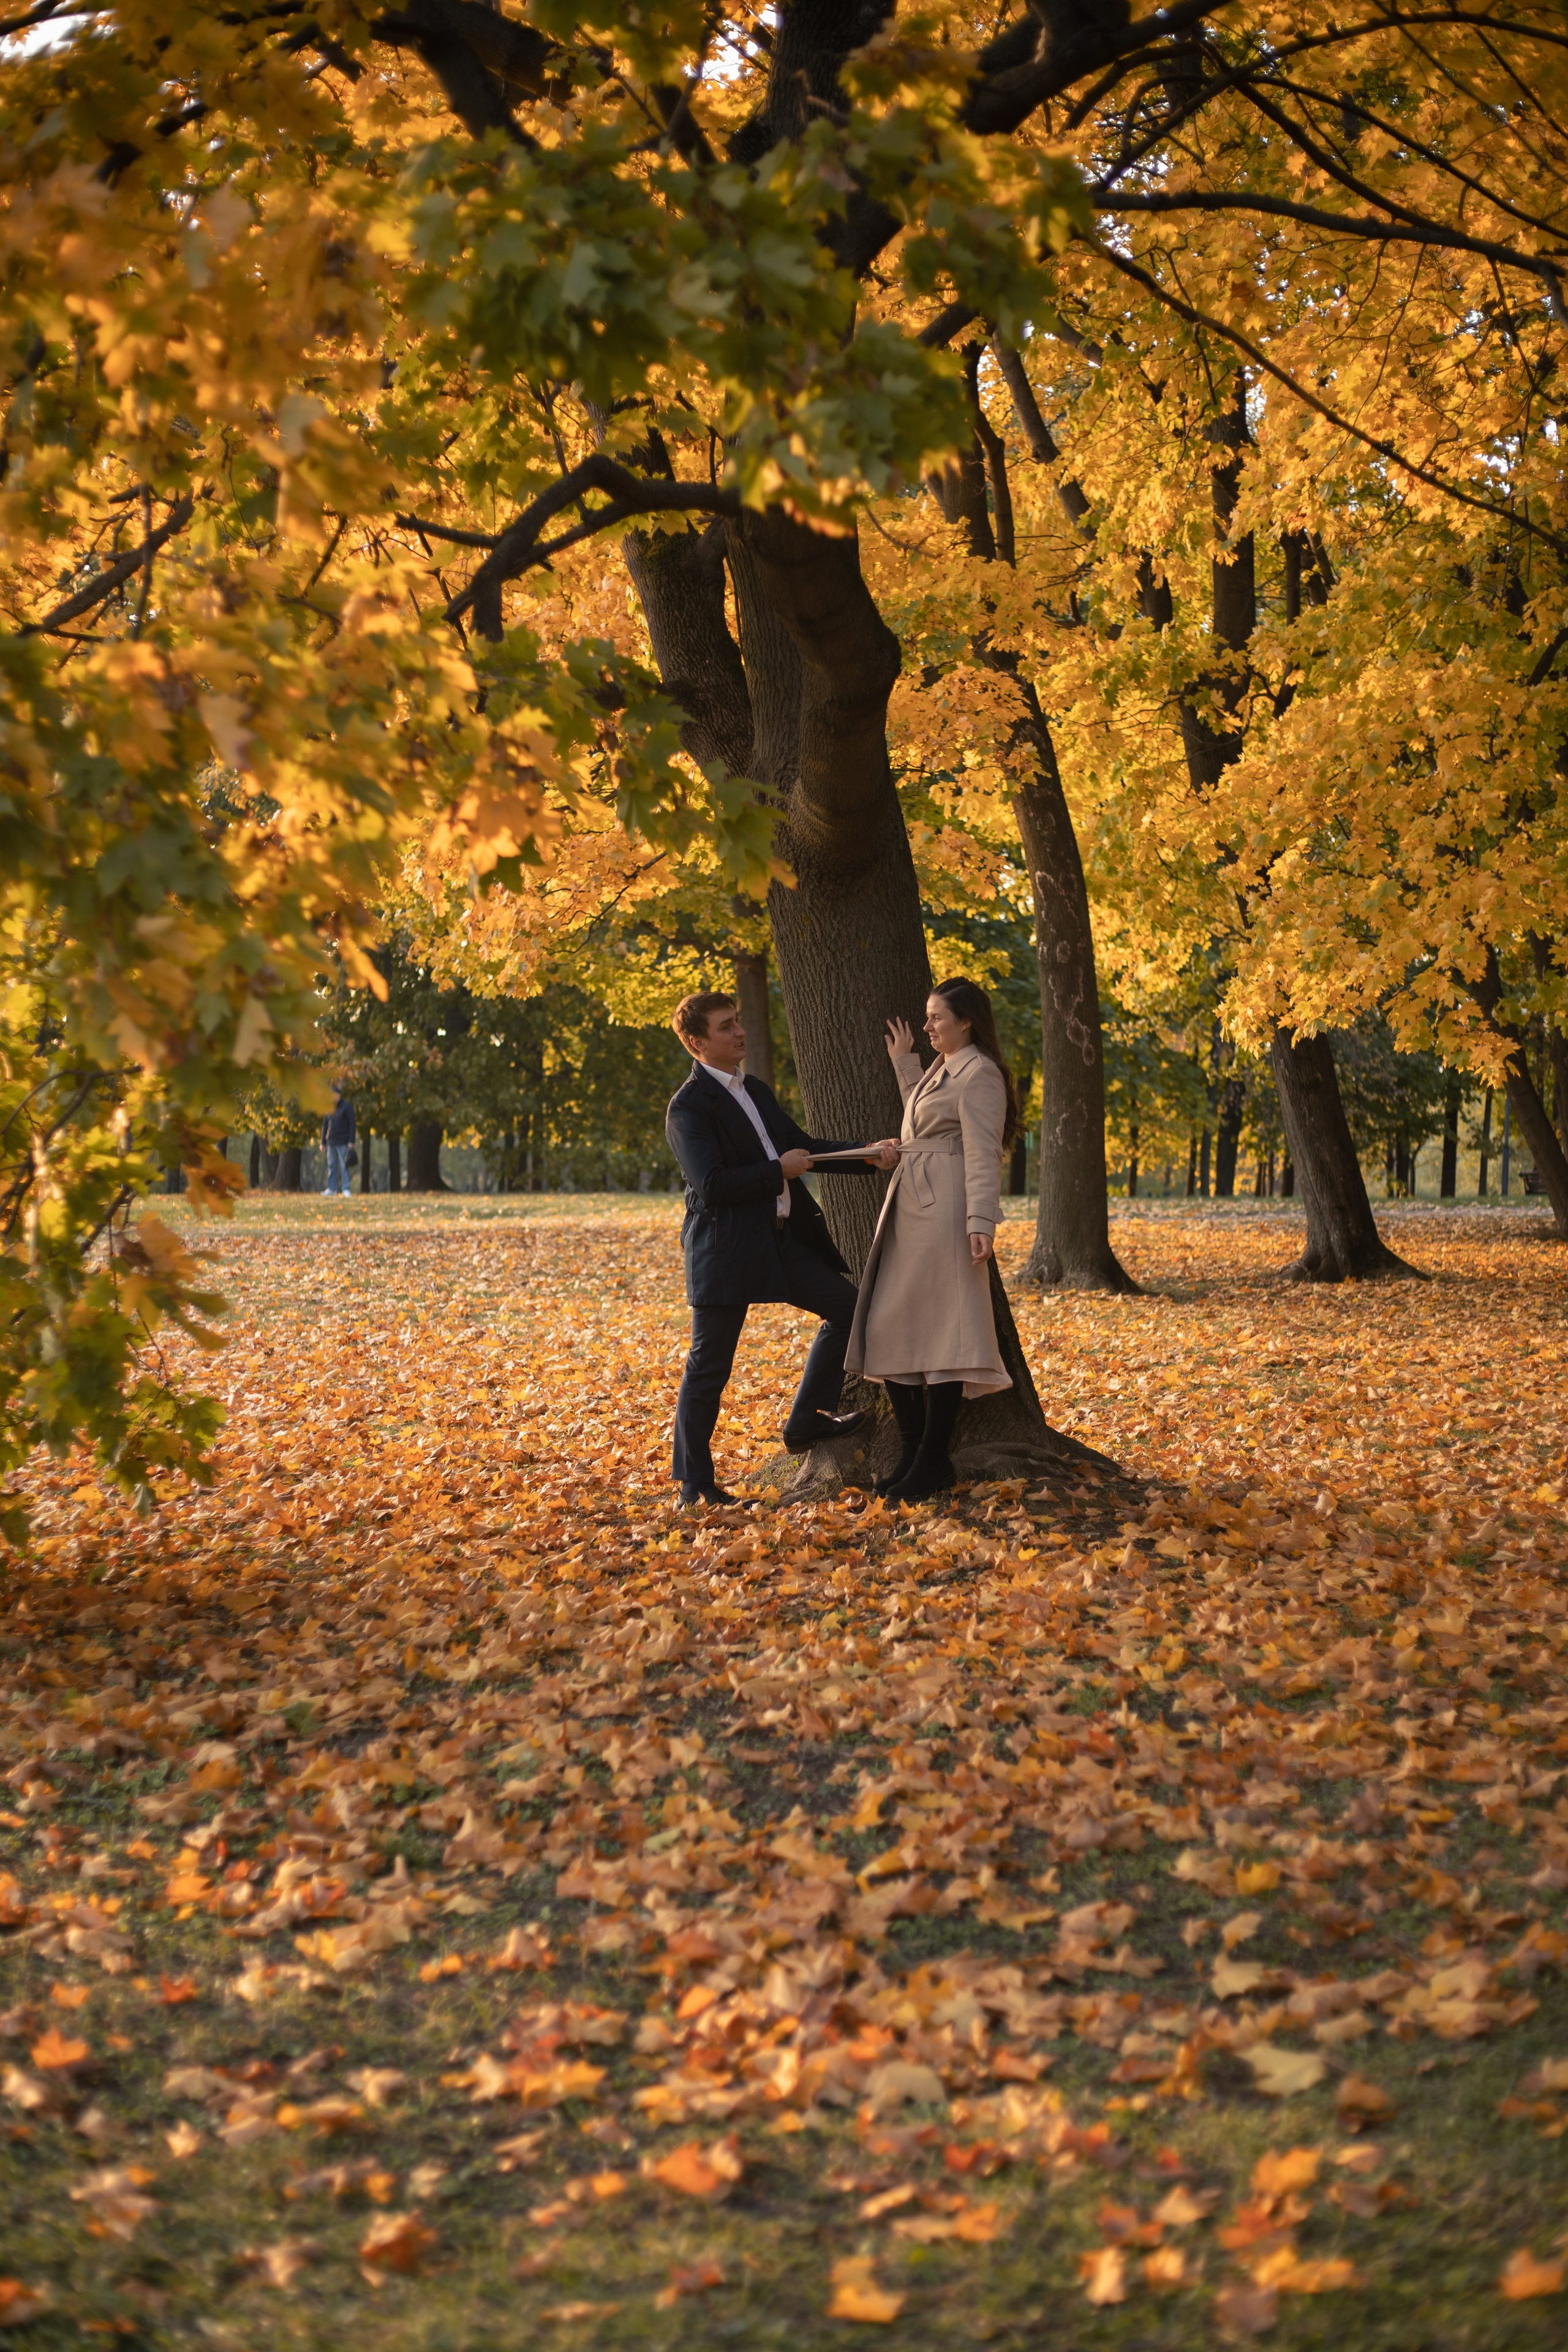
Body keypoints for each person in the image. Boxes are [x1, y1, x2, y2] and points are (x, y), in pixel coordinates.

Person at [665, 990, 900, 1509]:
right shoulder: (687, 1107)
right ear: (698, 1042)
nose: (740, 1032)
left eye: (738, 1022)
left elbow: (805, 1148)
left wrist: (868, 1156)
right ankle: (694, 1485)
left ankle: (805, 1424)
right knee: (710, 1366)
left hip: (778, 1242)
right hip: (724, 1249)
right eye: (726, 1027)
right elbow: (712, 1184)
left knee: (849, 1308)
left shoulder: (755, 1091)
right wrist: (778, 1172)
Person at [845, 978, 1019, 1503]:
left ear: (966, 1021)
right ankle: (913, 1450)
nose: (927, 1027)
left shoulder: (981, 1074)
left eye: (936, 1018)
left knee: (945, 1334)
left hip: (947, 1211)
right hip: (912, 1207)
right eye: (927, 1017)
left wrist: (980, 1223)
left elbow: (984, 1153)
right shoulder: (944, 1069)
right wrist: (906, 1064)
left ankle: (931, 1460)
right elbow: (923, 1119)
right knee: (892, 1324)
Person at [321, 1085, 356, 1197]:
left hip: (343, 1141)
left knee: (344, 1166)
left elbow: (352, 1124)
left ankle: (346, 1189)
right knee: (332, 1166)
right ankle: (332, 1189)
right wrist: (323, 1143)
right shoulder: (328, 1109)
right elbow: (325, 1126)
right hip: (331, 1142)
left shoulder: (347, 1107)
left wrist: (351, 1141)